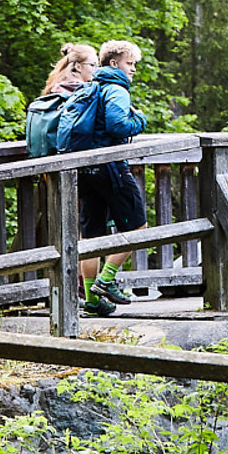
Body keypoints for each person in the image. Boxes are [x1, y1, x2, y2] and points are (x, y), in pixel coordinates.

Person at [78, 39, 148, 315]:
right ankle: (105, 283)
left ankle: (93, 302)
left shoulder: (90, 87)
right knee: (138, 229)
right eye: (129, 64)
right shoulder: (117, 90)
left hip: (85, 169)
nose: (132, 70)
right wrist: (140, 120)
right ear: (114, 63)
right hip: (110, 168)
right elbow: (117, 125)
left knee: (92, 238)